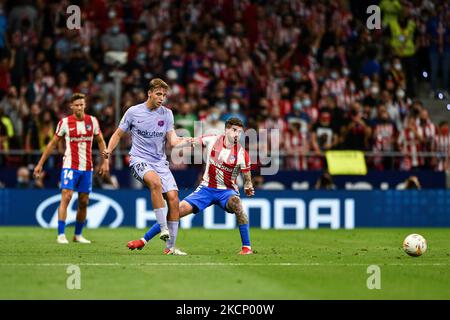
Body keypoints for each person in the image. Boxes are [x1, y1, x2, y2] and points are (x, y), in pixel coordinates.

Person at [127, 118, 255, 255]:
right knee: (175, 211)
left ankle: (246, 248)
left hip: (227, 192)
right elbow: (191, 140)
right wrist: (173, 139)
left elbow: (247, 179)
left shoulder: (242, 154)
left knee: (238, 205)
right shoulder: (212, 140)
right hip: (205, 190)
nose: (237, 135)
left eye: (240, 132)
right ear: (226, 130)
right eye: (234, 130)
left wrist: (248, 186)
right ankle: (143, 240)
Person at [103, 78, 192, 255]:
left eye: (164, 95)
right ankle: (163, 228)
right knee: (156, 183)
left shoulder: (167, 114)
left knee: (174, 199)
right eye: (158, 94)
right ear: (149, 93)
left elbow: (173, 141)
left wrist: (191, 140)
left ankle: (170, 248)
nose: (162, 98)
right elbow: (118, 134)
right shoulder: (133, 112)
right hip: (139, 159)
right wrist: (108, 151)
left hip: (160, 162)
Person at [33, 93, 109, 244]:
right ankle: (61, 234)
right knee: (66, 196)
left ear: (85, 105)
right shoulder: (65, 123)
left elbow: (101, 141)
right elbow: (52, 144)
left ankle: (78, 235)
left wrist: (105, 161)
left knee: (83, 202)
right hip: (69, 166)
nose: (80, 107)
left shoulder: (92, 121)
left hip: (87, 168)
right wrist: (40, 163)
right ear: (71, 106)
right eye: (77, 105)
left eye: (82, 104)